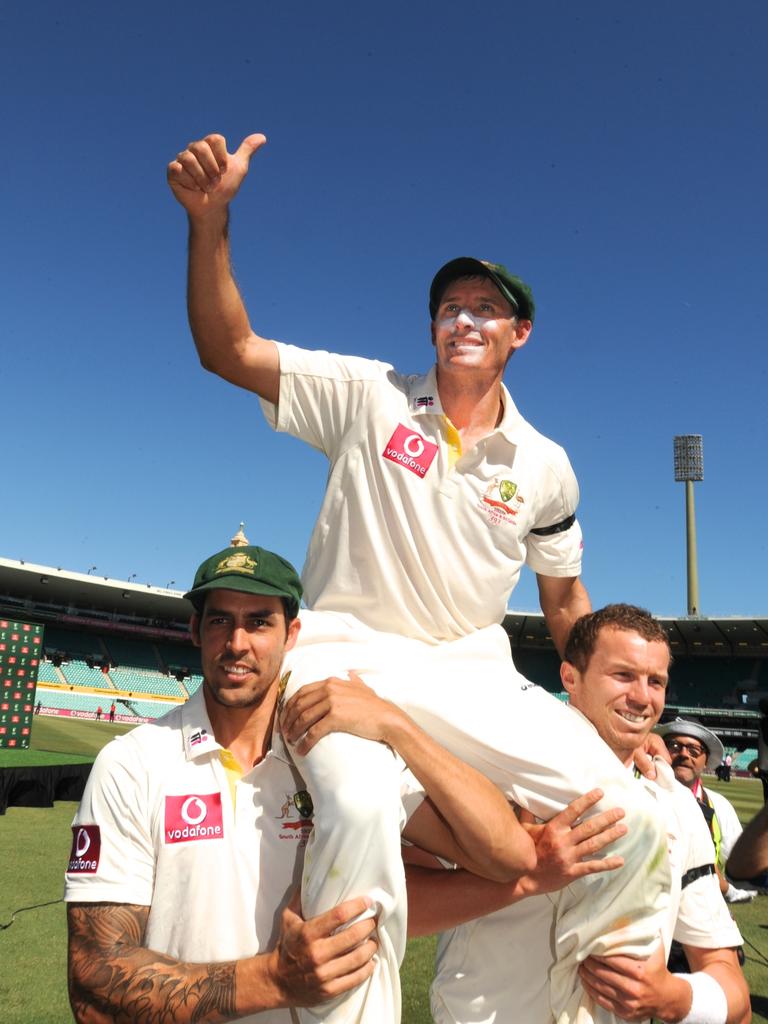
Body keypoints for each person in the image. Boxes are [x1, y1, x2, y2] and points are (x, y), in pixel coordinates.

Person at [168, 132, 670, 1024]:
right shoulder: (370, 396)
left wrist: (616, 723)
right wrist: (211, 222)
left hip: (474, 673)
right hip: (347, 656)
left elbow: (564, 603)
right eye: (449, 305)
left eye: (486, 308)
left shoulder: (547, 466)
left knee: (630, 820)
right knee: (359, 810)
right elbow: (228, 347)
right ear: (432, 326)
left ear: (520, 334)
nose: (463, 319)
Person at [65, 542, 535, 1024]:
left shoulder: (343, 757)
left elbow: (505, 856)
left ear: (292, 634)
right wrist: (272, 980)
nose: (237, 643)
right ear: (195, 630)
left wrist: (398, 726)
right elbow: (92, 984)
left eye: (259, 622)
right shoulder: (131, 763)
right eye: (220, 620)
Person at [417, 605, 750, 1024]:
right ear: (570, 678)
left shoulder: (676, 805)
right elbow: (403, 905)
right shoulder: (494, 772)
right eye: (623, 676)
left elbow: (733, 988)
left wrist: (672, 997)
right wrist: (523, 878)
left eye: (656, 682)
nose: (642, 697)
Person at [656, 718, 755, 904]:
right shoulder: (638, 791)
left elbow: (746, 878)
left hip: (700, 914)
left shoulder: (720, 806)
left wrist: (723, 887)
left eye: (694, 750)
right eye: (675, 746)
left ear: (706, 761)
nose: (684, 754)